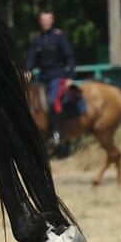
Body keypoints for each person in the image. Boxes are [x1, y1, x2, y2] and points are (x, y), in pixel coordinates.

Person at [26, 10, 76, 149]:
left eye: (48, 20)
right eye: (43, 20)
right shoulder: (37, 39)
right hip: (42, 77)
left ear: (52, 21)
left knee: (54, 101)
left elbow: (70, 57)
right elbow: (31, 58)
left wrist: (70, 77)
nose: (46, 22)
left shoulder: (59, 37)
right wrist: (27, 71)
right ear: (40, 22)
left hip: (58, 76)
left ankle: (58, 132)